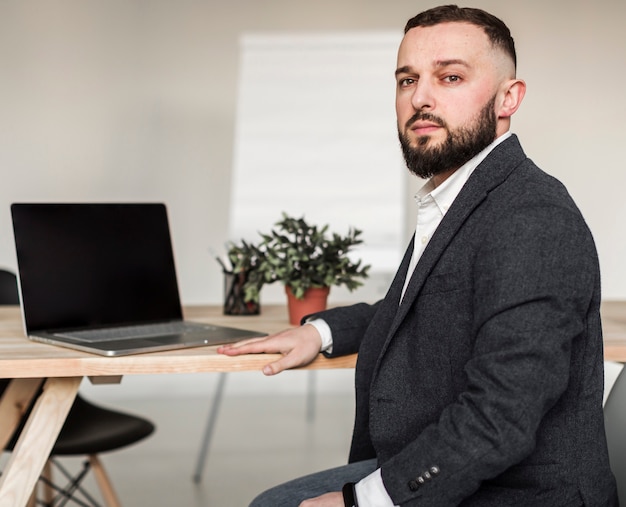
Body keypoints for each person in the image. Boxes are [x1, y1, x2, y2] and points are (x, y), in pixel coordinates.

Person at [219, 5, 618, 506]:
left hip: (517, 491)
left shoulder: (532, 216)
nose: (421, 98)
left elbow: (500, 417)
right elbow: (418, 313)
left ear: (508, 98)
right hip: (455, 467)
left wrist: (359, 501)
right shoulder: (461, 197)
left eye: (450, 76)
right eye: (407, 80)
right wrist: (319, 332)